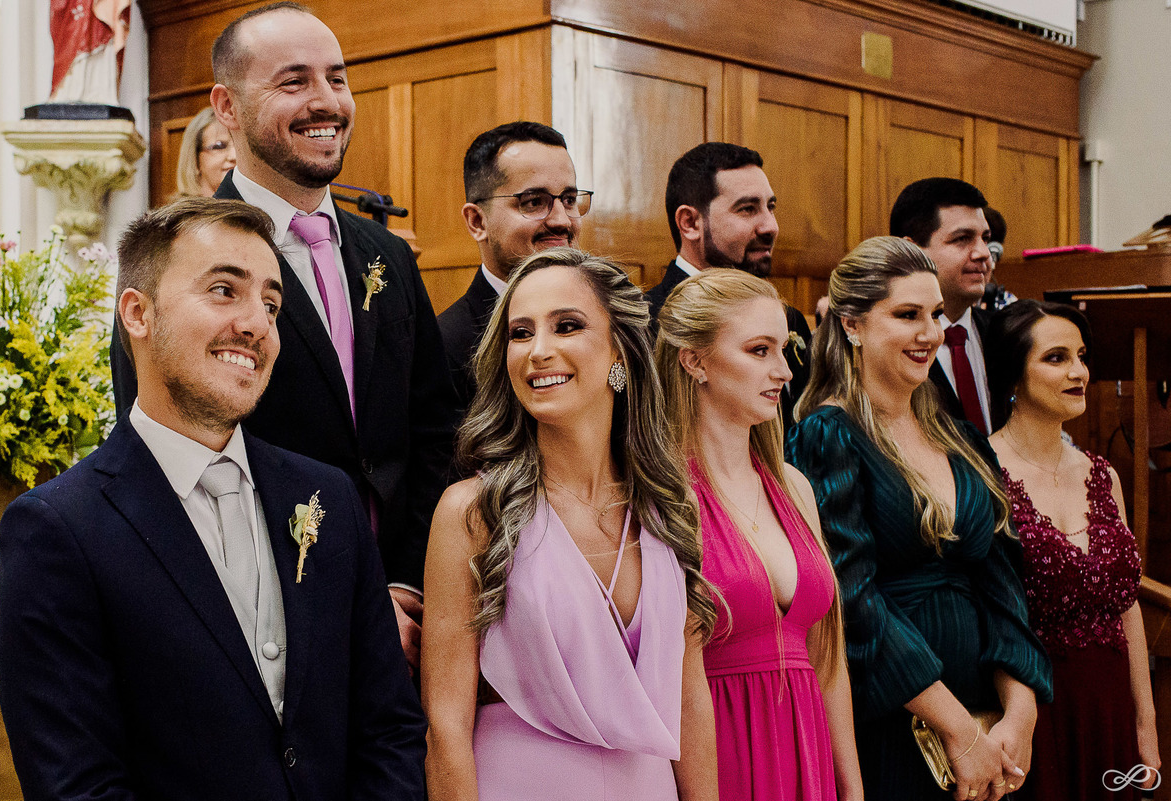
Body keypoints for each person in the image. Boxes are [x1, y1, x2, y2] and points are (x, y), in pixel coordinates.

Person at [0, 198, 426, 800]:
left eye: (272, 304)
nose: (258, 324)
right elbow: (76, 783)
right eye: (225, 290)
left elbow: (389, 729)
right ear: (138, 314)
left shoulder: (328, 498)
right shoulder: (58, 530)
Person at [109, 2, 459, 671]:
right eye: (294, 82)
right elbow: (164, 455)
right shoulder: (173, 258)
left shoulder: (385, 253)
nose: (327, 102)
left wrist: (405, 581)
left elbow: (432, 433)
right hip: (252, 617)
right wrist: (339, 588)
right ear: (227, 107)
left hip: (406, 622)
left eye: (337, 78)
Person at [422, 247, 719, 801]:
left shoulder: (669, 507)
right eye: (519, 333)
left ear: (620, 356)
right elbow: (446, 725)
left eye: (567, 326)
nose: (538, 351)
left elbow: (688, 699)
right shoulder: (472, 512)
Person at [784, 236, 1052, 801]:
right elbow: (850, 599)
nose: (929, 333)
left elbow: (1004, 578)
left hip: (990, 712)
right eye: (906, 315)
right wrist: (956, 729)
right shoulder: (827, 435)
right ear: (853, 326)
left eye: (934, 314)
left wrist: (1019, 715)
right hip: (896, 710)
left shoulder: (959, 434)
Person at [656, 268, 863, 801]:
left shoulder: (792, 486)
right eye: (759, 350)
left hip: (807, 747)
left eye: (783, 349)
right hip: (718, 754)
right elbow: (675, 679)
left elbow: (828, 659)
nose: (783, 371)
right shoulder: (661, 493)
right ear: (694, 360)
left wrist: (852, 788)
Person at [986, 300, 1159, 799]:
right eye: (1056, 358)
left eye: (1081, 355)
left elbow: (1128, 608)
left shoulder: (1103, 475)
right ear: (1012, 374)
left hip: (1110, 707)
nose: (1079, 371)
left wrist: (1144, 724)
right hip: (1031, 708)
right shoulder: (982, 473)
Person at [649, 142, 812, 428]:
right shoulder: (642, 325)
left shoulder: (790, 320)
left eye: (770, 207)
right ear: (690, 223)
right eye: (747, 209)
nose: (770, 226)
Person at [438, 121, 586, 413]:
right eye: (533, 202)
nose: (562, 220)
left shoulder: (606, 321)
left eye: (569, 200)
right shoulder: (446, 347)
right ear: (477, 222)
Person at [890, 177, 994, 434]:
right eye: (962, 239)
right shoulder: (890, 346)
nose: (983, 253)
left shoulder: (1002, 334)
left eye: (985, 238)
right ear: (911, 251)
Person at [175, 106, 237, 199]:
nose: (234, 156)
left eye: (239, 146)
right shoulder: (182, 213)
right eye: (219, 146)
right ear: (195, 159)